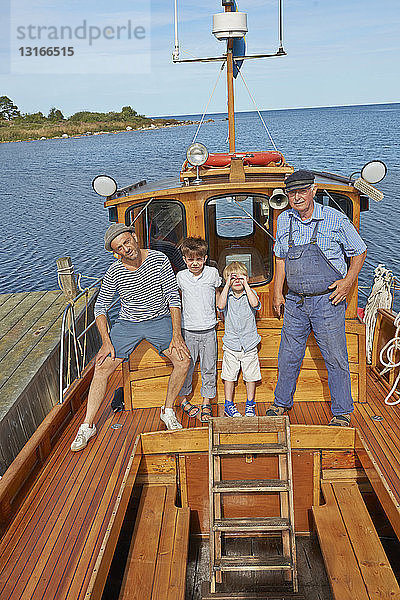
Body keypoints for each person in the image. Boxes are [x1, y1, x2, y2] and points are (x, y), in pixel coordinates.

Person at [70, 223, 191, 452]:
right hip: (128, 324)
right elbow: (101, 307)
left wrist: (177, 335)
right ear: (116, 252)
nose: (126, 249)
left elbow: (173, 298)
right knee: (102, 367)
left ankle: (167, 410)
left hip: (159, 319)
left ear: (135, 237)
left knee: (183, 360)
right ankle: (87, 425)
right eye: (120, 248)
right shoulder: (114, 272)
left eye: (127, 242)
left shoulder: (159, 259)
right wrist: (106, 341)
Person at [266, 170, 367, 426]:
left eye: (302, 191)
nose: (296, 197)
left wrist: (346, 283)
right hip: (295, 303)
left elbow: (359, 251)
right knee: (288, 355)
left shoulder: (335, 219)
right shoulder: (284, 220)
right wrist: (278, 292)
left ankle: (342, 411)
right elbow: (280, 258)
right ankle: (281, 404)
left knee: (335, 356)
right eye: (291, 193)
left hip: (327, 302)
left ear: (313, 191)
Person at [176, 237, 222, 422]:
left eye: (199, 259)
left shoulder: (212, 274)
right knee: (186, 367)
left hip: (209, 330)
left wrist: (222, 313)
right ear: (185, 260)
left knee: (209, 367)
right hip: (188, 330)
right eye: (190, 259)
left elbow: (218, 295)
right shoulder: (181, 277)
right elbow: (176, 300)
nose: (195, 263)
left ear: (205, 258)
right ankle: (184, 400)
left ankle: (206, 403)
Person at [217, 261, 262, 417]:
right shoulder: (227, 296)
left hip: (249, 345)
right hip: (231, 345)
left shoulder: (251, 294)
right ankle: (228, 404)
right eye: (232, 277)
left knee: (251, 375)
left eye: (241, 277)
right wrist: (227, 286)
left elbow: (255, 304)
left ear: (247, 278)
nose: (237, 280)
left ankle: (250, 404)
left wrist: (246, 285)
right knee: (229, 376)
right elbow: (220, 306)